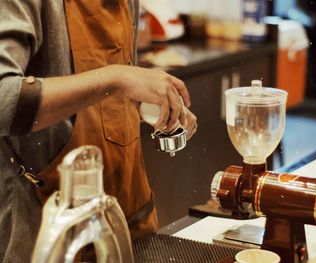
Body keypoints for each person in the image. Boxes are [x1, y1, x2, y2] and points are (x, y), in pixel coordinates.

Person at [0, 0, 197, 262]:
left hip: (130, 222)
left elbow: (99, 97)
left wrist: (155, 103)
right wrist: (119, 79)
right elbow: (5, 99)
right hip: (49, 235)